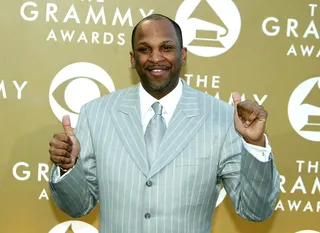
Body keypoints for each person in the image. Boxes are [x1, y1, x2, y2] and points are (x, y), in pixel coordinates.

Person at [49, 14, 280, 233]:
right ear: (133, 59)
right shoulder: (96, 113)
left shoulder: (221, 116)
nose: (156, 58)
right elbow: (77, 206)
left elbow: (255, 211)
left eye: (167, 48)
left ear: (184, 55)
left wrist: (255, 143)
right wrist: (69, 167)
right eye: (144, 49)